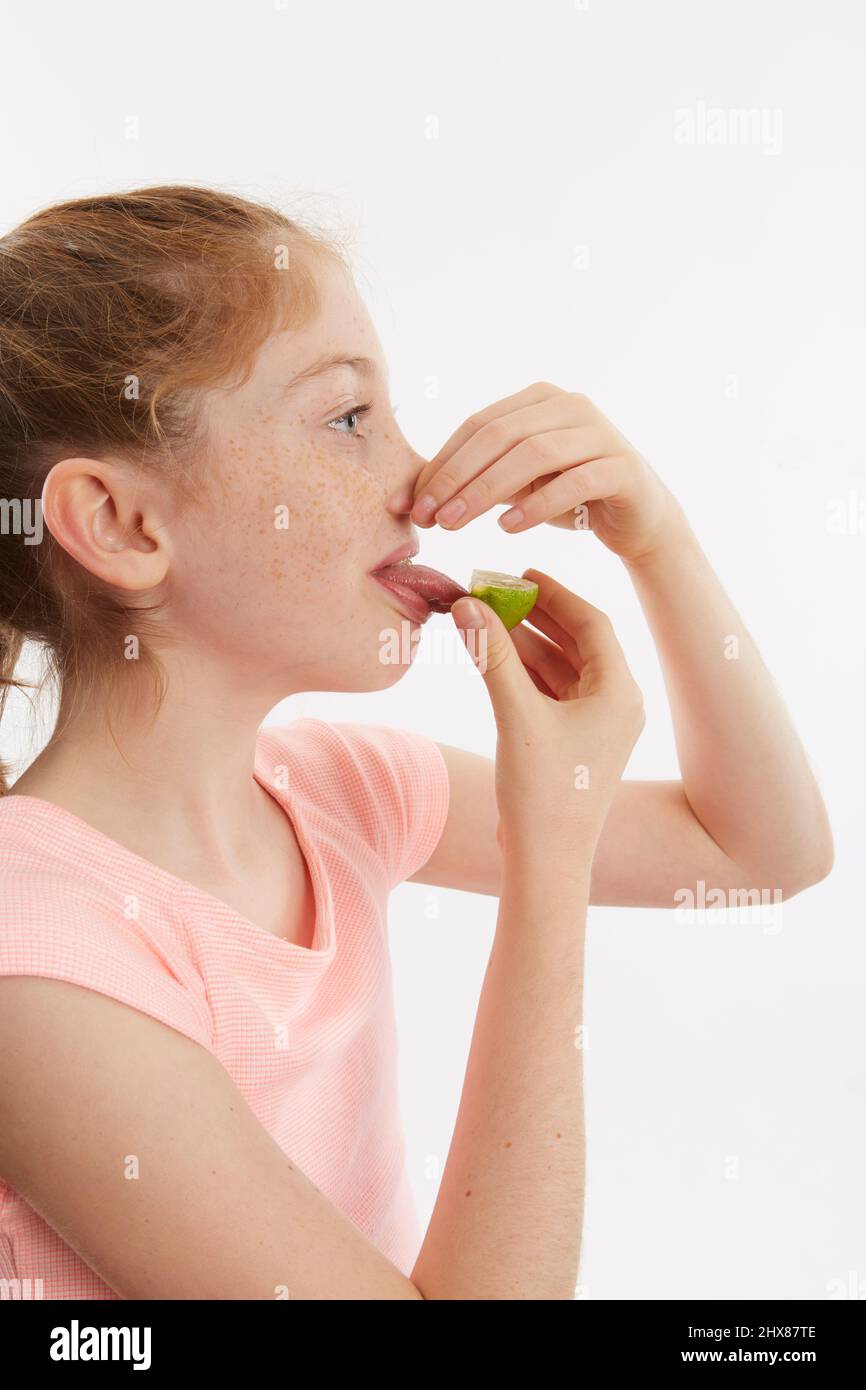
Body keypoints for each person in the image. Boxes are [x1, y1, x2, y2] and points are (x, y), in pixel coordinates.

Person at [0, 185, 832, 1300]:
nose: (421, 483)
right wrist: (549, 857)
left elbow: (758, 852)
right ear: (122, 525)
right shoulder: (38, 959)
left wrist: (657, 538)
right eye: (348, 419)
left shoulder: (340, 790)